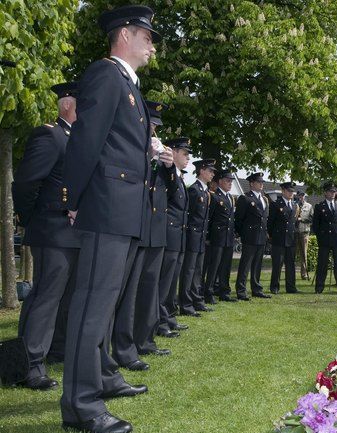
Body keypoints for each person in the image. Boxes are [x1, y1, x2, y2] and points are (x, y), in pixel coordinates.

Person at [60, 5, 161, 432]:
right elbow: (86, 140)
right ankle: (81, 405)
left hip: (122, 210)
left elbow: (116, 142)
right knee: (91, 308)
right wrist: (74, 199)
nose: (152, 46)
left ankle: (101, 375)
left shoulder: (128, 84)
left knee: (105, 304)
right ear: (125, 35)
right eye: (147, 36)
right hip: (105, 207)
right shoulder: (106, 74)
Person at [12, 82, 81, 390]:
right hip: (51, 229)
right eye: (83, 103)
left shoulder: (76, 139)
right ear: (67, 104)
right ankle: (31, 365)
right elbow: (26, 183)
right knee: (46, 297)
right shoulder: (50, 135)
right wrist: (34, 219)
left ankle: (55, 350)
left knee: (63, 296)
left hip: (70, 232)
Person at [111, 101, 175, 371]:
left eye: (155, 127)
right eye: (149, 124)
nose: (152, 130)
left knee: (149, 288)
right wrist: (146, 157)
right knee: (129, 292)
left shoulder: (155, 152)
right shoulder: (131, 146)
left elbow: (166, 191)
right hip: (134, 228)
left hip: (153, 230)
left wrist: (169, 167)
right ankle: (124, 348)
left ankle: (145, 340)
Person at [157, 137, 191, 337]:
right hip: (169, 235)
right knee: (163, 282)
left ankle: (168, 316)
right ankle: (160, 322)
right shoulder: (168, 175)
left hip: (178, 237)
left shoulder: (179, 177)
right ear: (174, 152)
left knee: (171, 283)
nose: (187, 158)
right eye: (185, 153)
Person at [178, 159, 216, 316]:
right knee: (188, 271)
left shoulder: (206, 191)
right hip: (192, 235)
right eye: (210, 171)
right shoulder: (194, 190)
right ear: (201, 171)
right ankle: (186, 304)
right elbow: (189, 214)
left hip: (200, 236)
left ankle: (197, 300)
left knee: (198, 271)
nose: (212, 174)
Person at [235, 172, 272, 300]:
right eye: (259, 182)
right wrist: (242, 234)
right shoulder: (245, 198)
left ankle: (256, 288)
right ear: (251, 183)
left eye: (262, 182)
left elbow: (265, 218)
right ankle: (241, 290)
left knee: (257, 264)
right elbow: (239, 219)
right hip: (250, 236)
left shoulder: (264, 199)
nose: (261, 184)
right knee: (245, 264)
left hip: (261, 236)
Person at [312, 182, 337, 293]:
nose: (333, 193)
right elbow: (315, 225)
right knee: (322, 264)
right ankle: (319, 287)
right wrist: (320, 238)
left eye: (334, 191)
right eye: (331, 191)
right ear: (325, 192)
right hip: (325, 240)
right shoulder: (320, 206)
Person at [204, 169, 237, 302]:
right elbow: (209, 218)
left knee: (225, 266)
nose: (230, 184)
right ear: (220, 181)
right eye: (227, 181)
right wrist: (208, 237)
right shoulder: (214, 196)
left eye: (231, 181)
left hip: (228, 238)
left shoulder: (230, 198)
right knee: (213, 267)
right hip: (216, 238)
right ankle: (208, 292)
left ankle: (224, 292)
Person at [268, 182, 299, 294]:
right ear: (283, 191)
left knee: (291, 265)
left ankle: (291, 287)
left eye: (292, 191)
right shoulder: (276, 204)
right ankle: (274, 287)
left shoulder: (295, 205)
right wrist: (272, 236)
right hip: (279, 239)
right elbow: (270, 223)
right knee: (277, 265)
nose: (291, 193)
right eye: (289, 191)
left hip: (290, 240)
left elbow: (294, 223)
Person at [295, 191, 312, 280]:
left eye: (302, 196)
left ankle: (304, 274)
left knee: (303, 254)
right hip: (295, 232)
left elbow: (312, 218)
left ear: (304, 196)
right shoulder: (294, 205)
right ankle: (290, 274)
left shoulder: (309, 206)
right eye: (299, 196)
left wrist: (302, 219)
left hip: (304, 232)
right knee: (292, 253)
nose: (301, 197)